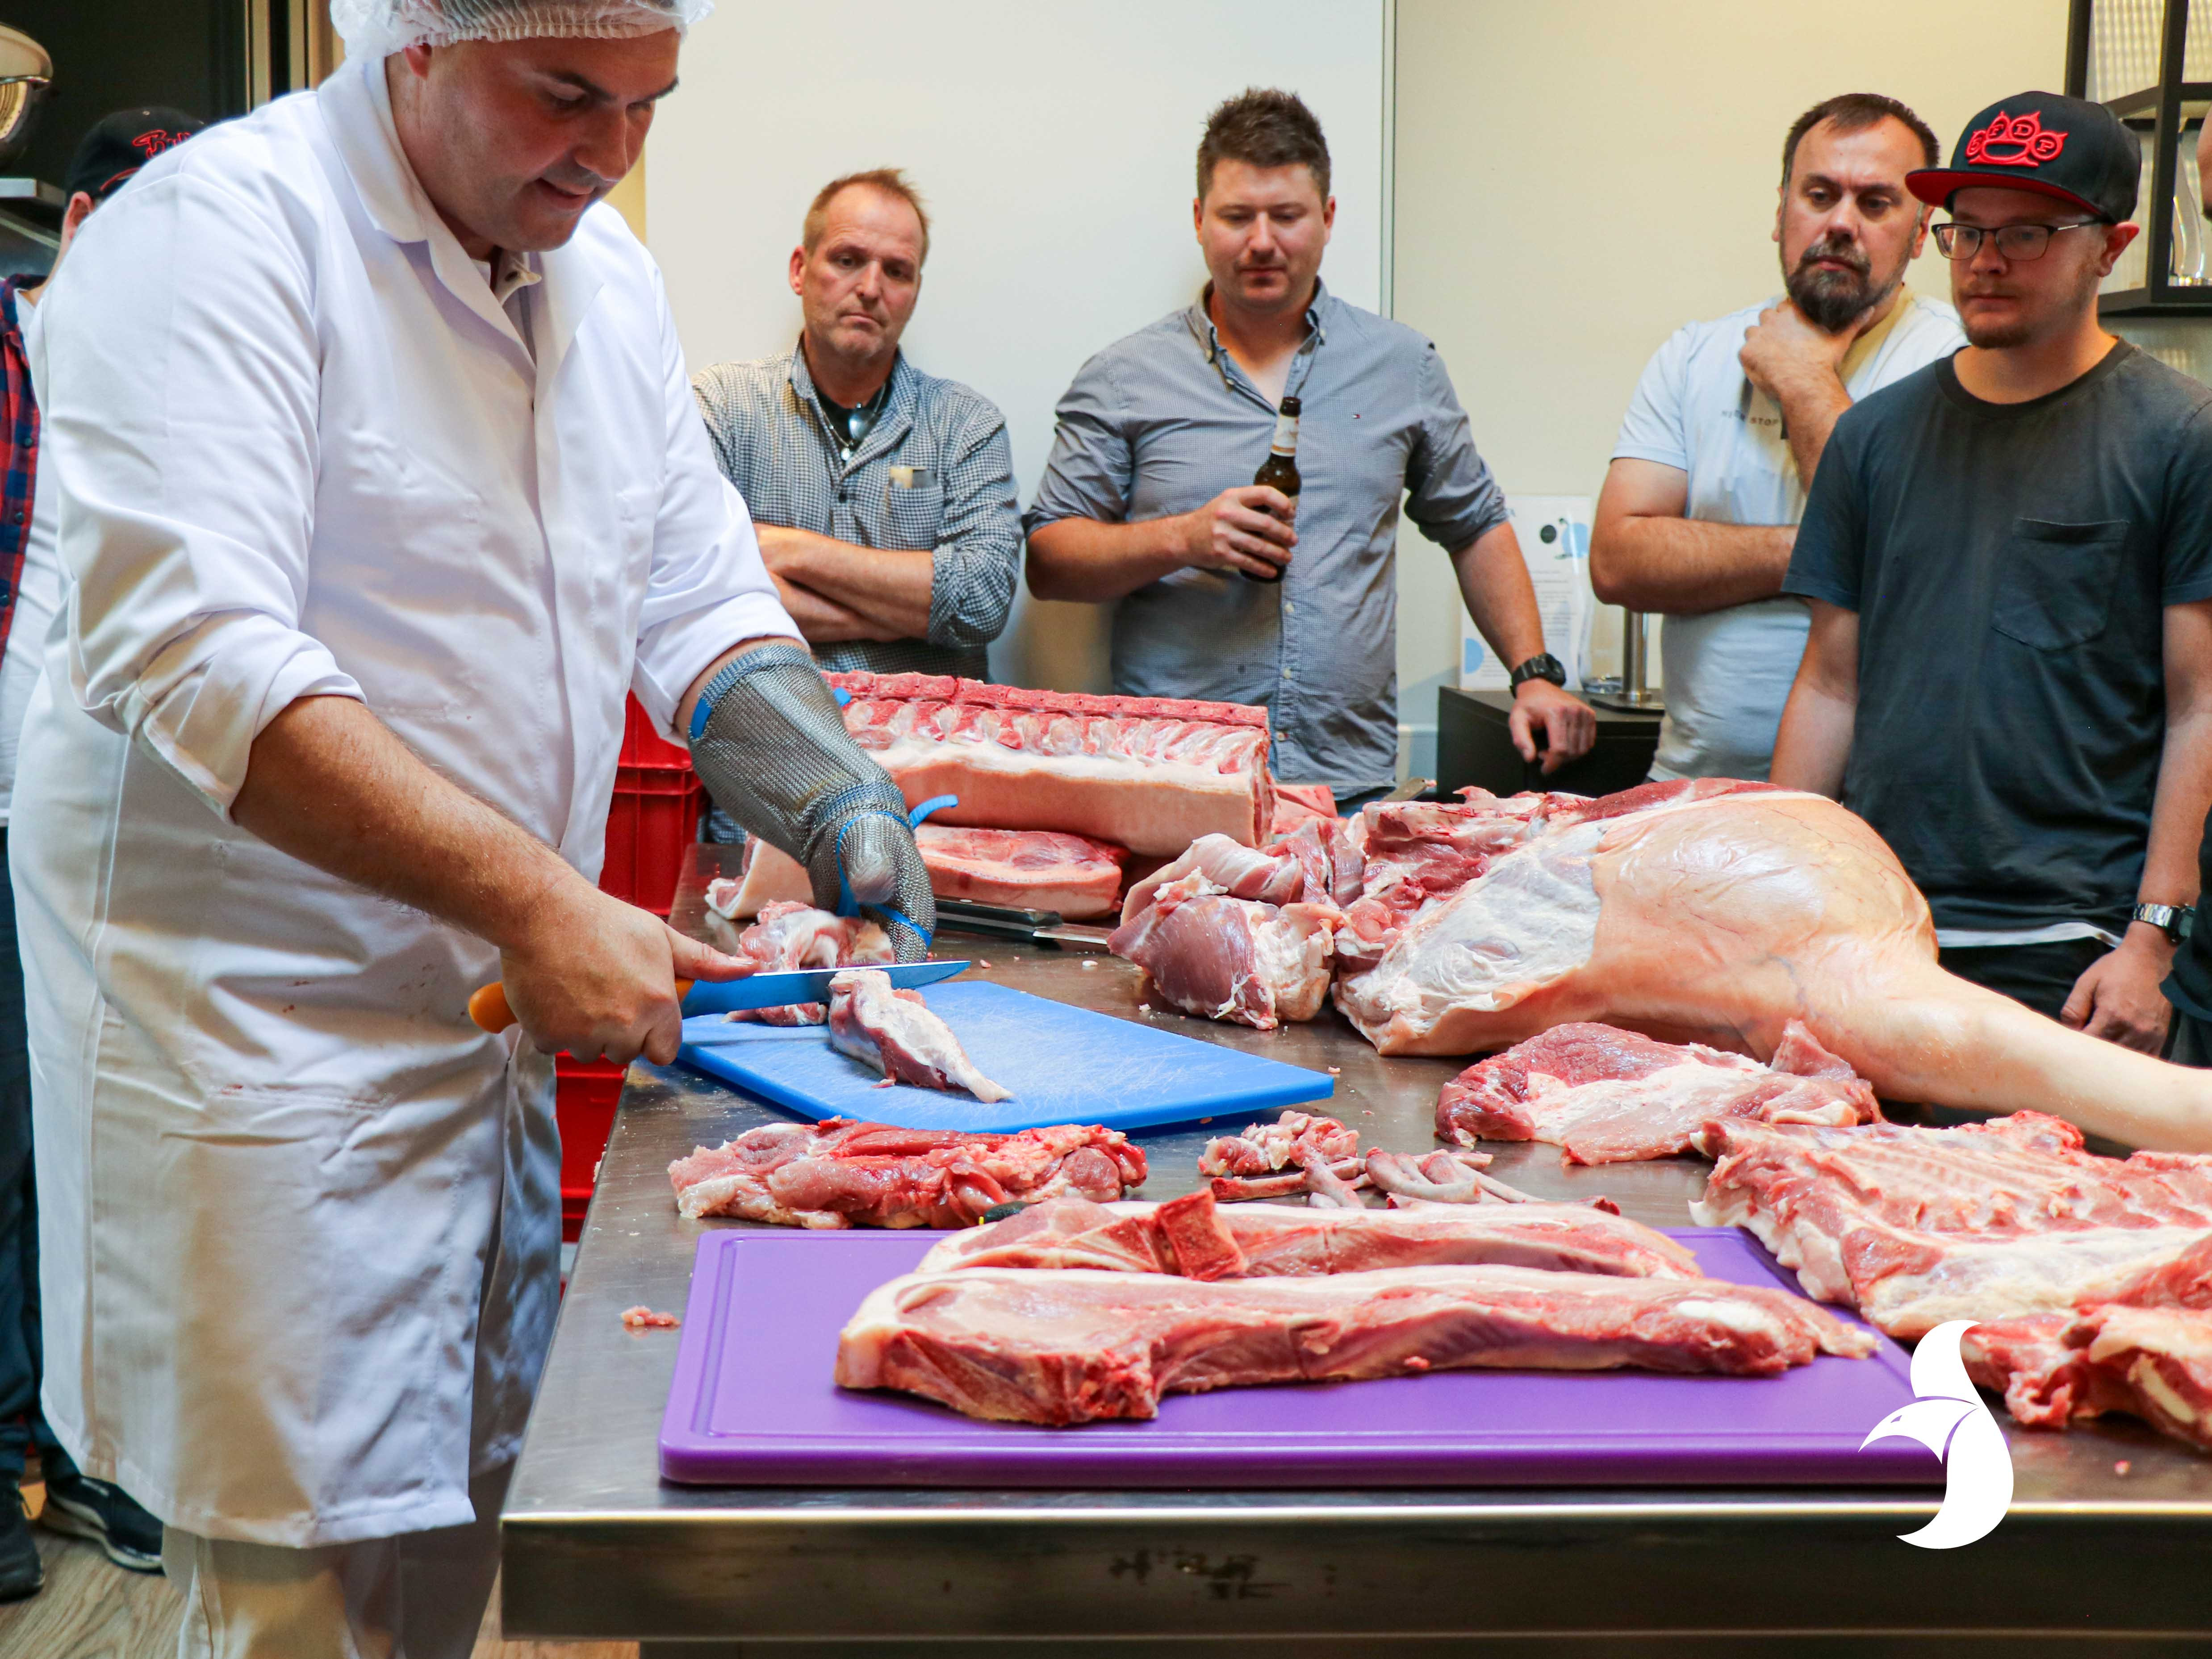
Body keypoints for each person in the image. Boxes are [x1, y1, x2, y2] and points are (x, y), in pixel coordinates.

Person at [15, 4, 931, 1655]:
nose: (611, 149)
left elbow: (694, 584)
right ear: (413, 43)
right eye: (567, 94)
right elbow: (200, 659)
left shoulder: (603, 274)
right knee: (296, 1606)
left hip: (476, 1035)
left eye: (648, 101)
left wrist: (831, 786)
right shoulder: (215, 239)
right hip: (260, 1057)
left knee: (453, 1560)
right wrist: (536, 894)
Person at [1773, 91, 2212, 1055]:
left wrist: (2151, 942)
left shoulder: (2180, 435)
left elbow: (2199, 704)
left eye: (2028, 233)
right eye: (1966, 230)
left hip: (2073, 950)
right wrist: (1784, 905)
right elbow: (1828, 684)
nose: (1985, 259)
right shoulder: (1870, 439)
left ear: (2110, 245)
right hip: (1879, 927)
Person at [1024, 88, 1593, 810]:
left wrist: (1533, 673)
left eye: (1286, 216)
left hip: (1346, 784)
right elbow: (1049, 560)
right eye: (1236, 217)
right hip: (1177, 782)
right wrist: (1185, 537)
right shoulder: (1122, 376)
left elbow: (1475, 524)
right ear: (1199, 222)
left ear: (1326, 220)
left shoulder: (1401, 365)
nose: (1262, 241)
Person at [0, 105, 204, 1600]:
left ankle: (85, 1446)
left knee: (81, 1135)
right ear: (81, 227)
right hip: (20, 792)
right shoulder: (22, 350)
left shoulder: (179, 384)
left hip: (99, 826)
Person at [1591, 92, 1964, 783]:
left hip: (1875, 811)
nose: (1840, 224)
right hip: (1690, 791)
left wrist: (1803, 381)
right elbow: (1617, 560)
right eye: (1818, 194)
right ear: (1779, 210)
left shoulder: (1959, 364)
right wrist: (1813, 556)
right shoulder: (1694, 354)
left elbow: (1912, 575)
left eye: (1875, 203)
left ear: (1919, 234)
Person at [692, 168, 1019, 841]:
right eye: (847, 260)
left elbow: (982, 600)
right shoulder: (721, 409)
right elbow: (700, 591)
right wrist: (914, 608)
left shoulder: (966, 427)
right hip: (762, 806)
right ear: (800, 268)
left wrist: (782, 551)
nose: (870, 287)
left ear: (915, 291)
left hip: (929, 810)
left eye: (896, 270)